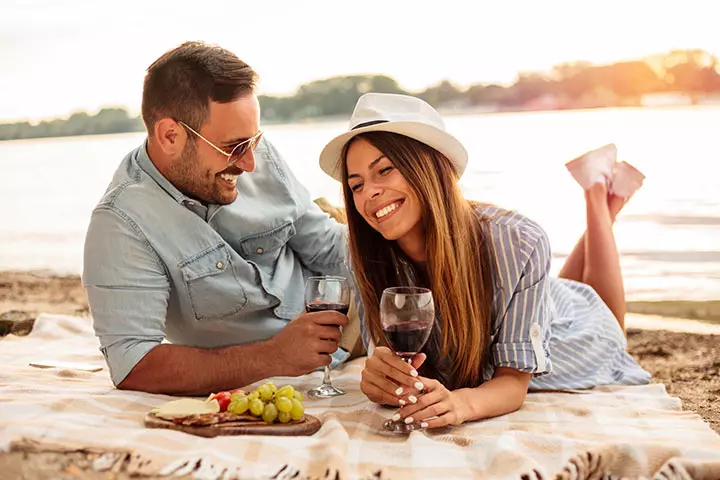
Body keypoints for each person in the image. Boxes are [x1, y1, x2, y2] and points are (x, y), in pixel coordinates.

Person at [318, 93, 651, 429]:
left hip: (571, 330)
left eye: (385, 170)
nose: (368, 194)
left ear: (428, 166)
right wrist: (381, 378)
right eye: (356, 185)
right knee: (556, 287)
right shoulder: (362, 255)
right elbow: (392, 360)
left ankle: (597, 195)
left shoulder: (518, 239)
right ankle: (607, 194)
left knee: (611, 325)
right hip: (534, 298)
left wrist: (461, 403)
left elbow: (513, 382)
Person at [83, 41, 351, 395]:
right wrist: (273, 357)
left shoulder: (251, 151)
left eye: (254, 141)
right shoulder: (120, 223)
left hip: (352, 315)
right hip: (279, 370)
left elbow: (328, 246)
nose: (250, 163)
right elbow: (133, 364)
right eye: (234, 147)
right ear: (170, 135)